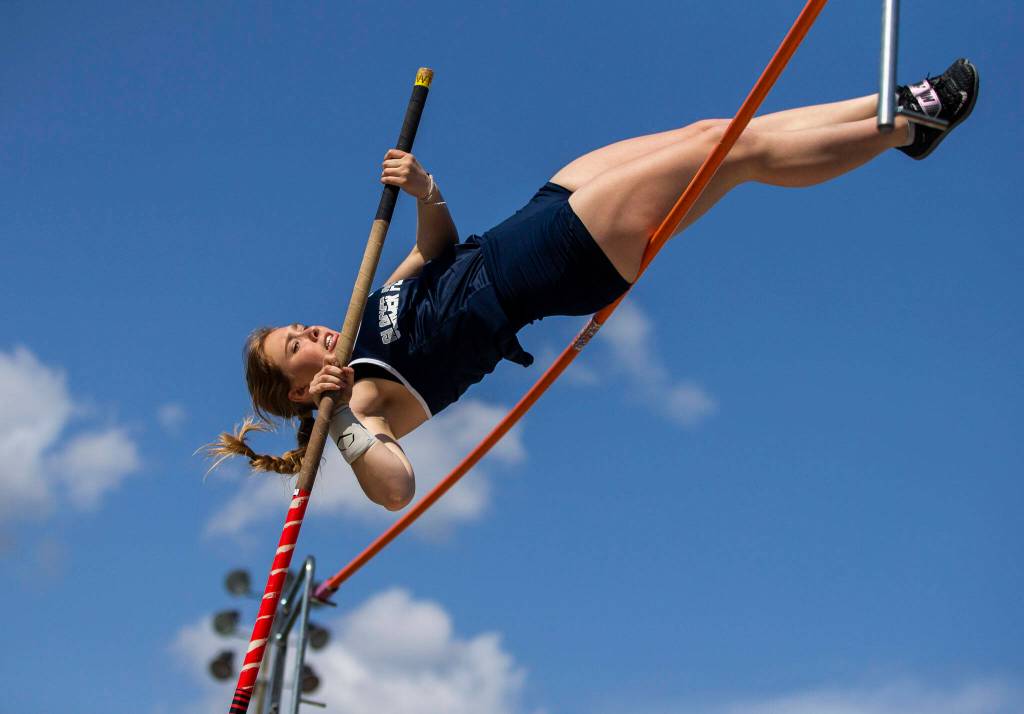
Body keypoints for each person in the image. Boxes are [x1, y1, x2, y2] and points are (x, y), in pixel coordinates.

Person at [209, 59, 979, 511]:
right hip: (552, 268)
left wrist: (426, 191)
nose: (310, 332)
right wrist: (340, 415)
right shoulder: (364, 401)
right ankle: (909, 127)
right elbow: (395, 489)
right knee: (726, 153)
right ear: (297, 388)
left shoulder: (361, 314)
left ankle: (896, 106)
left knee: (711, 130)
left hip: (528, 221)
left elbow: (434, 251)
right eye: (295, 347)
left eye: (298, 327)